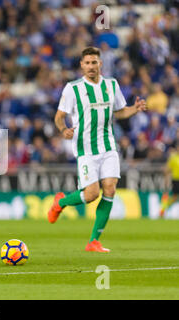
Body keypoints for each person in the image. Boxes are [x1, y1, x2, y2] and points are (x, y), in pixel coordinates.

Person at [48, 47, 147, 252]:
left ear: (100, 64)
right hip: (85, 150)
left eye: (94, 62)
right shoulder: (72, 88)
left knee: (110, 188)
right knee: (92, 194)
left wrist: (134, 109)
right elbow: (59, 117)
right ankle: (61, 202)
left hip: (109, 146)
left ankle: (94, 241)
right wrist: (63, 129)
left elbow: (119, 112)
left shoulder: (111, 85)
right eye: (87, 63)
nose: (91, 66)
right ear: (81, 66)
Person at [160, 141, 179, 217]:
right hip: (176, 180)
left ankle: (163, 209)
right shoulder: (173, 157)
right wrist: (166, 178)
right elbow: (167, 169)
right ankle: (163, 209)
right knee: (174, 198)